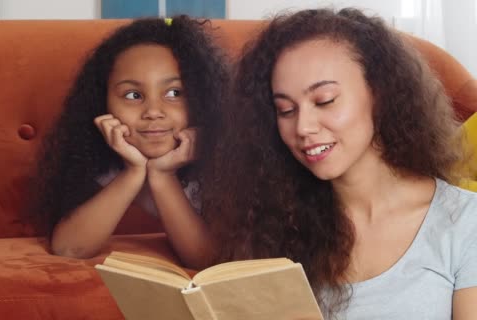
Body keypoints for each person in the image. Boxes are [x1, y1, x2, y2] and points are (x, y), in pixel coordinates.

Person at [202, 8, 477, 319]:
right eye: (286, 110)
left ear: (380, 94)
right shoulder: (275, 226)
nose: (303, 127)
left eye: (324, 101)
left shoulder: (466, 223)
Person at [32, 16, 228, 269]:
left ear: (202, 99)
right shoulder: (103, 156)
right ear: (103, 105)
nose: (153, 111)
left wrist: (163, 174)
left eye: (174, 93)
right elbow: (69, 248)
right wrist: (134, 171)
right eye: (134, 95)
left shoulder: (224, 158)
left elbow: (206, 260)